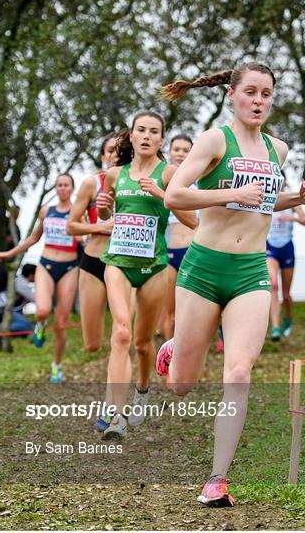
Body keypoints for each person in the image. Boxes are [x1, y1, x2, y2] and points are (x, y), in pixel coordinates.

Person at [155, 61, 305, 507]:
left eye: (266, 94)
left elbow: (264, 201)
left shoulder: (277, 149)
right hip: (203, 270)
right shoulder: (214, 140)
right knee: (183, 385)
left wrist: (297, 198)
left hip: (250, 272)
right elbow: (176, 196)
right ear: (232, 94)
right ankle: (175, 346)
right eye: (250, 92)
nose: (258, 101)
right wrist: (228, 193)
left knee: (239, 372)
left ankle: (216, 479)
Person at [96, 111, 197, 438]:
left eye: (154, 131)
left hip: (153, 265)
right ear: (132, 134)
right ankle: (117, 416)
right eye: (141, 130)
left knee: (141, 343)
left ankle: (141, 390)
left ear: (161, 139)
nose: (146, 136)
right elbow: (105, 211)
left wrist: (160, 193)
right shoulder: (114, 175)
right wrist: (100, 207)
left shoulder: (168, 173)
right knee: (121, 333)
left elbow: (193, 220)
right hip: (118, 262)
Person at [0, 174, 80, 382]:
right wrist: (9, 253)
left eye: (66, 185)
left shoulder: (78, 211)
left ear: (72, 188)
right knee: (42, 310)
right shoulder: (46, 211)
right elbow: (34, 238)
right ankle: (40, 325)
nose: (62, 188)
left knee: (61, 323)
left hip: (69, 267)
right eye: (59, 185)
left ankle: (56, 366)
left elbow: (85, 236)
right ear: (55, 188)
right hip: (46, 264)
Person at [66, 131, 119, 352]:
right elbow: (71, 226)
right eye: (110, 151)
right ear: (102, 156)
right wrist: (99, 227)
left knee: (125, 336)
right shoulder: (91, 183)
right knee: (92, 344)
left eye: (121, 150)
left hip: (126, 261)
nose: (116, 155)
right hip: (93, 261)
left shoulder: (140, 182)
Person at [159, 134, 195, 339]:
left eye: (186, 150)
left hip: (194, 251)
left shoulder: (199, 181)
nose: (181, 154)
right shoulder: (161, 182)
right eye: (177, 149)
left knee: (194, 310)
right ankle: (168, 362)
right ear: (169, 152)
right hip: (168, 252)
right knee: (169, 312)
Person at [266, 173, 305, 340]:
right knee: (273, 286)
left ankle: (287, 318)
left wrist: (291, 216)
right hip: (270, 247)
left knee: (286, 294)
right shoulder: (267, 197)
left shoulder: (292, 199)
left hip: (286, 248)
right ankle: (275, 327)